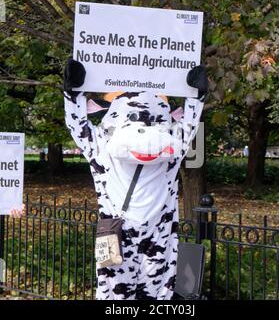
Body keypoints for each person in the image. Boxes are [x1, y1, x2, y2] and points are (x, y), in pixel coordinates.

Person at [64, 58, 208, 300]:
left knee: (157, 291)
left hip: (157, 233)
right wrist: (73, 93)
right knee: (113, 291)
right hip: (115, 232)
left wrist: (196, 96)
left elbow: (189, 128)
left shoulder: (169, 156)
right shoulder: (103, 149)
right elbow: (78, 127)